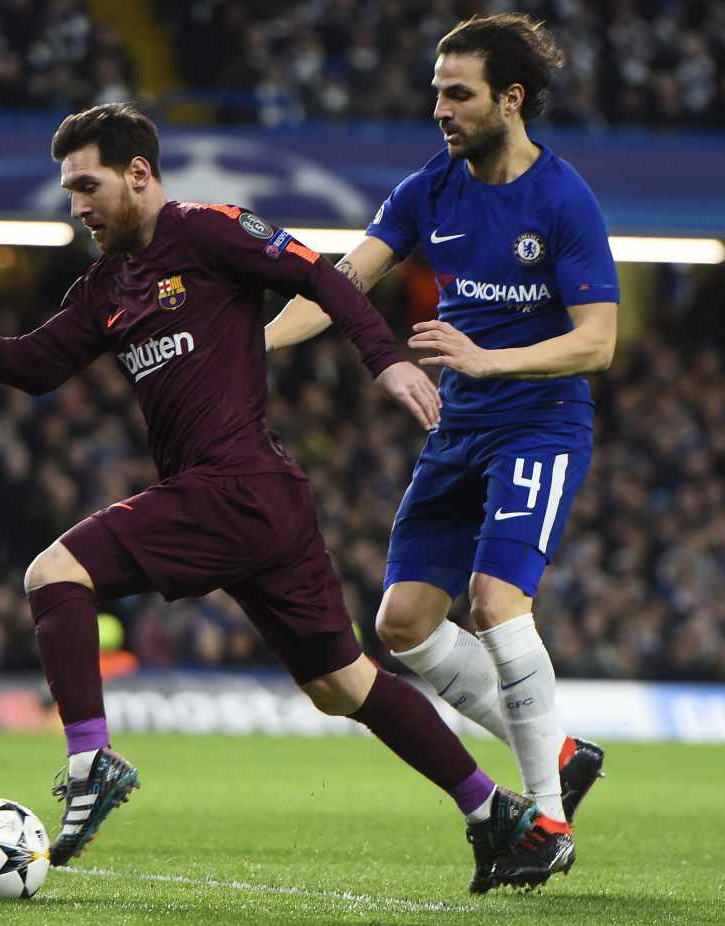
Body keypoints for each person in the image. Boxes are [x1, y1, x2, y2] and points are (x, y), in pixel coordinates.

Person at [0, 101, 566, 888]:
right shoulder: (104, 285)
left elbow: (321, 274)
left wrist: (384, 358)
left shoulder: (210, 231)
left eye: (87, 185)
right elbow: (33, 367)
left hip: (236, 487)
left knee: (54, 574)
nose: (76, 206)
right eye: (69, 190)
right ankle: (499, 816)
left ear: (139, 174)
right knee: (341, 684)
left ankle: (89, 763)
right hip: (255, 501)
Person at [265, 13, 615, 890]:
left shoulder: (564, 199)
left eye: (457, 94)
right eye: (435, 92)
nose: (439, 109)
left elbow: (598, 341)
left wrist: (490, 358)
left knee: (498, 605)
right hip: (458, 430)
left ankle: (544, 819)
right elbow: (341, 286)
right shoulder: (428, 189)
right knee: (402, 626)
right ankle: (560, 751)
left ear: (511, 98)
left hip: (539, 423)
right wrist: (254, 344)